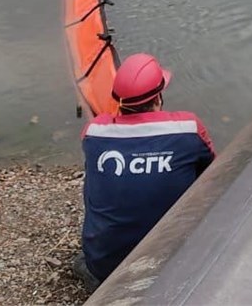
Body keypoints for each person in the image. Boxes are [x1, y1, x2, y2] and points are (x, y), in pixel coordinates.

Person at [76, 53, 215, 291]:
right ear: (159, 96)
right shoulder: (188, 128)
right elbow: (216, 172)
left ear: (119, 101)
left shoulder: (94, 132)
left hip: (105, 264)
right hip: (172, 263)